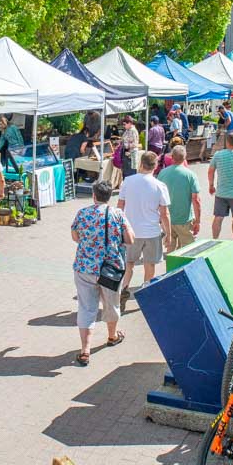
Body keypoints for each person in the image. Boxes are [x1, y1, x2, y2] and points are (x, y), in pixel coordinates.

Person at [70, 181, 133, 366]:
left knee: (86, 308)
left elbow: (75, 236)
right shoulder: (118, 214)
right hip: (111, 269)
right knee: (111, 304)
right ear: (110, 196)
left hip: (84, 267)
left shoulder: (83, 213)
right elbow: (129, 240)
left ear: (94, 195)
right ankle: (112, 336)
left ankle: (85, 350)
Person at [117, 151, 171, 311]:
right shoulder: (160, 186)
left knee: (128, 264)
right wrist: (168, 233)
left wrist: (119, 227)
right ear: (155, 166)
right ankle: (146, 293)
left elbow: (120, 206)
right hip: (152, 232)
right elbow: (164, 213)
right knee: (150, 265)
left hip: (131, 231)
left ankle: (124, 289)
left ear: (141, 164)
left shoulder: (128, 181)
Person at [157, 144, 200, 250]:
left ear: (171, 157)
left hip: (167, 219)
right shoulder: (190, 175)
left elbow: (157, 196)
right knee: (188, 252)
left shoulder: (162, 173)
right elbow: (196, 200)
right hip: (184, 219)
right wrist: (198, 221)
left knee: (170, 252)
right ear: (185, 157)